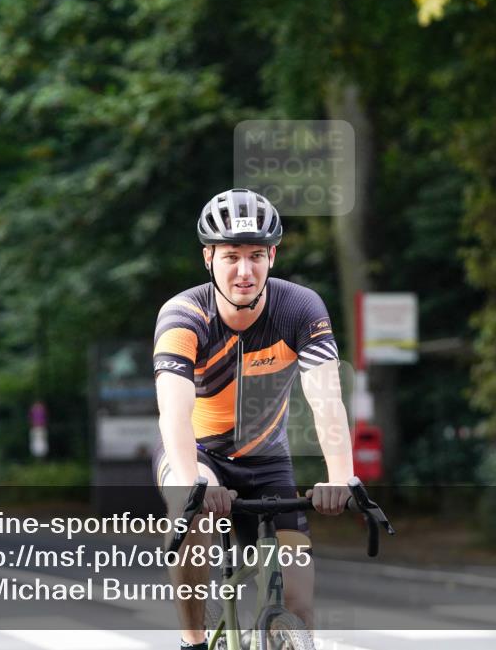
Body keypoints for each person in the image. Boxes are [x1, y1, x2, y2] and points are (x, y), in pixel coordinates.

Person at [152, 188, 353, 650]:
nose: (245, 270)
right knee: (192, 516)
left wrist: (342, 476)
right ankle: (193, 641)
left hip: (267, 460)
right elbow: (174, 411)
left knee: (300, 606)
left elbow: (327, 399)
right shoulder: (183, 315)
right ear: (208, 257)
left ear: (273, 255)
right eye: (231, 256)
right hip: (198, 454)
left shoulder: (300, 309)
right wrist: (192, 485)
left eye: (256, 255)